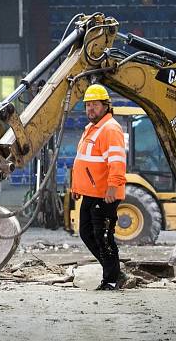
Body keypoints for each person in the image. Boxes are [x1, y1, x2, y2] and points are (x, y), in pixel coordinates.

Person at [71, 83, 128, 290]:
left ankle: (112, 279)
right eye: (87, 105)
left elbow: (117, 162)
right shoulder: (91, 129)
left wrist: (113, 187)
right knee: (87, 234)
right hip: (91, 193)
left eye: (94, 104)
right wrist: (76, 186)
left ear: (106, 106)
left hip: (105, 194)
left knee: (103, 237)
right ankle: (115, 272)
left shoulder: (110, 129)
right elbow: (83, 160)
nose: (90, 109)